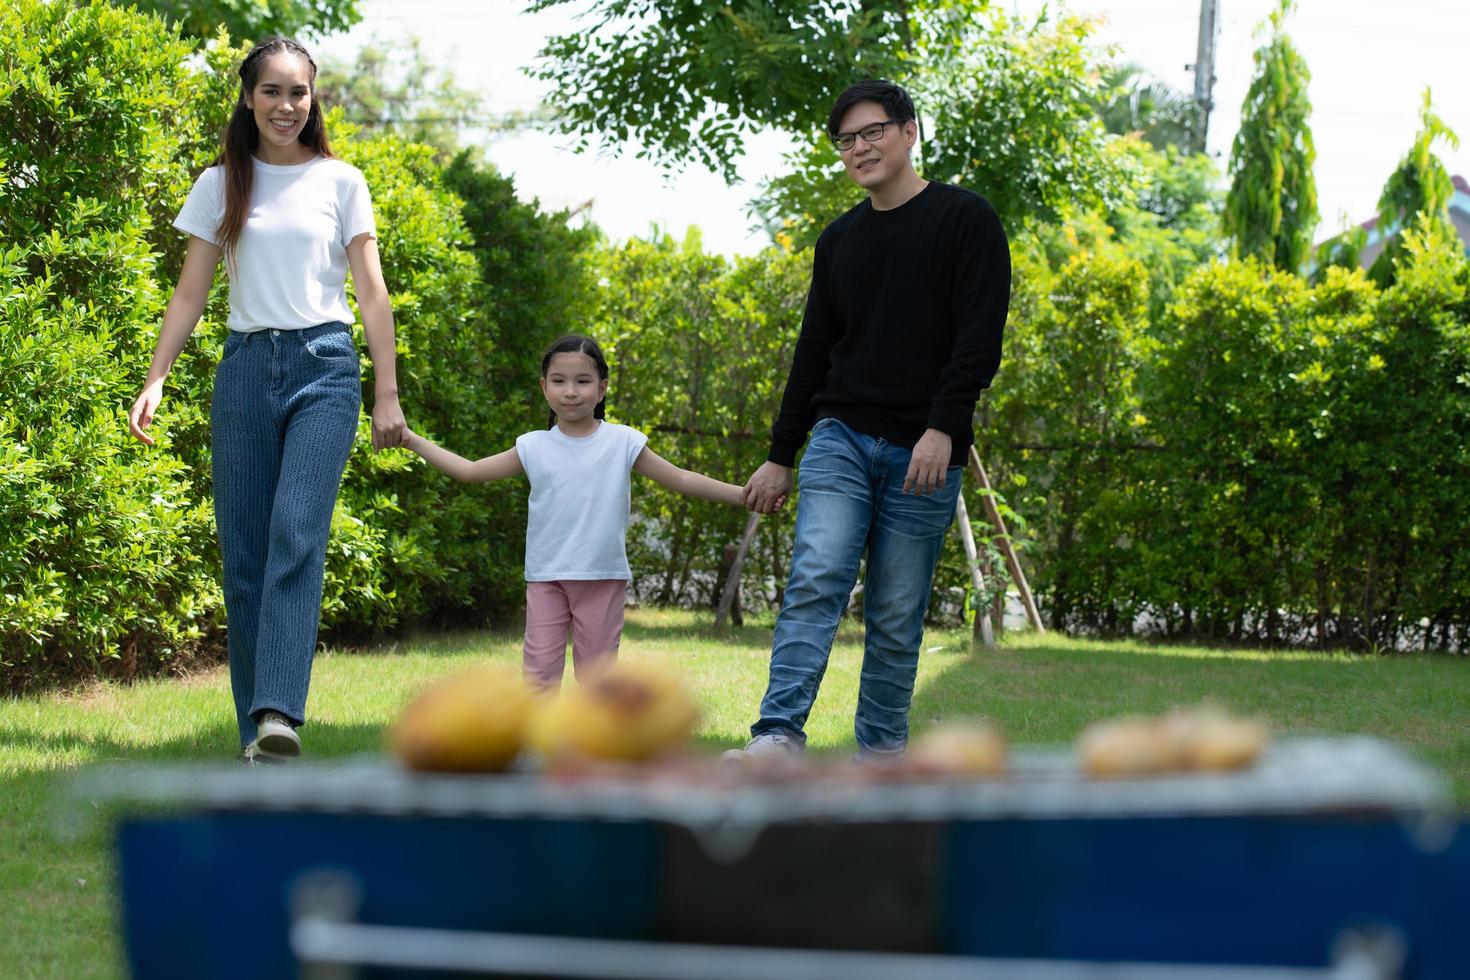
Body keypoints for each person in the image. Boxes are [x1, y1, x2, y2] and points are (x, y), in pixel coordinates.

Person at [127, 37, 407, 763]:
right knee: (244, 554)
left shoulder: (342, 181)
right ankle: (259, 736)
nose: (287, 106)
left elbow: (372, 295)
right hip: (246, 371)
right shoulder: (220, 184)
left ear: (313, 101)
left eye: (300, 93)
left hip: (325, 368)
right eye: (273, 92)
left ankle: (280, 711)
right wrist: (157, 376)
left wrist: (387, 393)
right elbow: (190, 293)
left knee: (294, 531)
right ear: (248, 98)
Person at [731, 79, 1010, 760]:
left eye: (873, 132)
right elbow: (814, 353)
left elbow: (980, 336)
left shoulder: (966, 220)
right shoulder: (838, 242)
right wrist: (780, 450)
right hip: (841, 436)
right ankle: (776, 737)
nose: (860, 148)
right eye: (847, 140)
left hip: (927, 449)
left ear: (909, 131)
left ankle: (881, 757)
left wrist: (944, 426)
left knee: (894, 613)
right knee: (818, 576)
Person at [404, 335, 750, 691]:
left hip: (602, 576)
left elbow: (679, 477)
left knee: (597, 686)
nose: (570, 391)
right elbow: (470, 471)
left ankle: (593, 747)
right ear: (544, 387)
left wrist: (743, 495)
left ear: (601, 389)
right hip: (546, 578)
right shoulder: (532, 445)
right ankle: (537, 747)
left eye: (582, 381)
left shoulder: (623, 442)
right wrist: (411, 439)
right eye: (559, 381)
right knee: (537, 680)